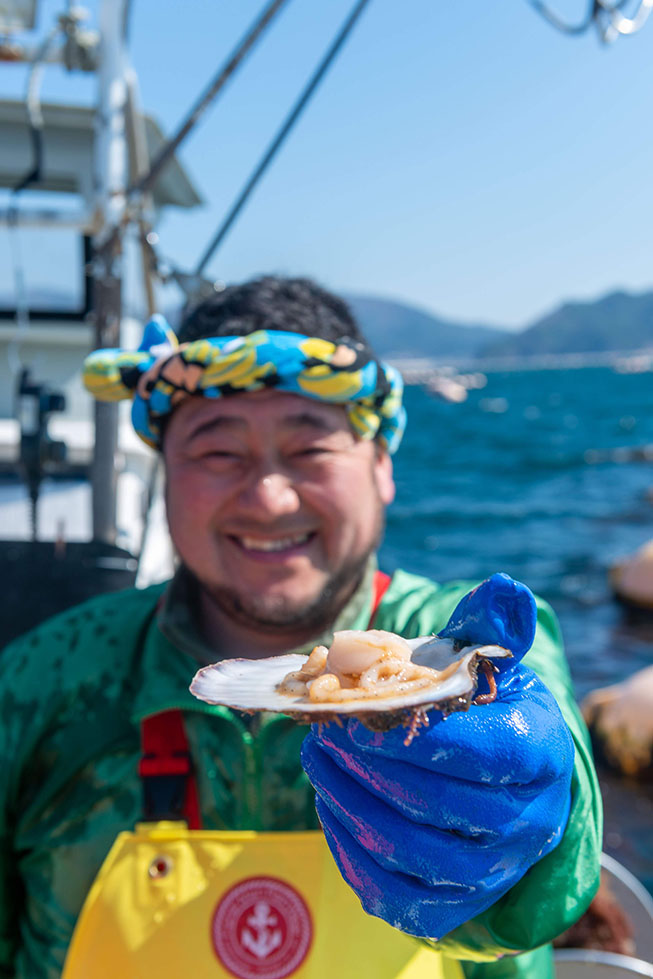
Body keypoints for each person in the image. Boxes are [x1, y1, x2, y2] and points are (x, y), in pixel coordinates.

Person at [0, 276, 601, 979]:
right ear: (164, 472)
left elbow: (556, 869)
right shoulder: (44, 677)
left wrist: (538, 819)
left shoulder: (452, 651)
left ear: (381, 465)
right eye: (217, 452)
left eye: (310, 447)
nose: (268, 495)